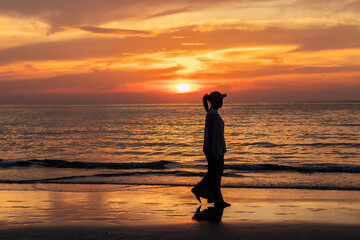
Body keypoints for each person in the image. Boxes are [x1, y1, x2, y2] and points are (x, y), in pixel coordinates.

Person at [191, 91, 230, 208]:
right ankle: (202, 191)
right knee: (215, 174)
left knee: (215, 174)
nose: (223, 102)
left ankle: (215, 198)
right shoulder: (212, 114)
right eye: (221, 100)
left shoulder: (213, 113)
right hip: (213, 150)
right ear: (217, 101)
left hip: (216, 149)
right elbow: (211, 136)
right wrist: (215, 153)